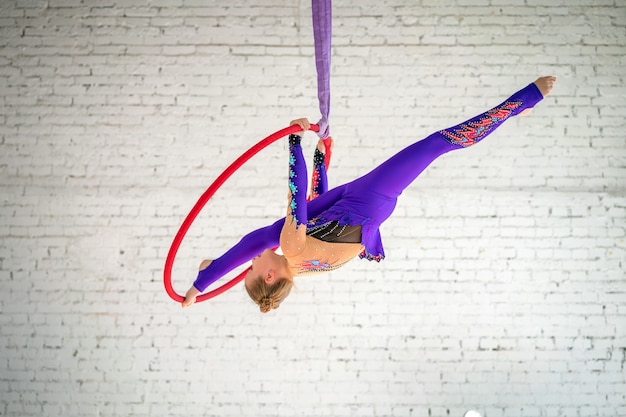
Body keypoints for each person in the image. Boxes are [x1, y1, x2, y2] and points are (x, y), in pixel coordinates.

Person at [182, 76, 557, 312]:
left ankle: (206, 275)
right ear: (268, 277)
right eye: (251, 270)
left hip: (360, 207)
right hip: (370, 199)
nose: (252, 263)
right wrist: (294, 140)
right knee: (437, 144)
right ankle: (519, 104)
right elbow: (297, 198)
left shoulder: (304, 266)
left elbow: (316, 204)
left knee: (271, 232)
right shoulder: (293, 250)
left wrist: (319, 153)